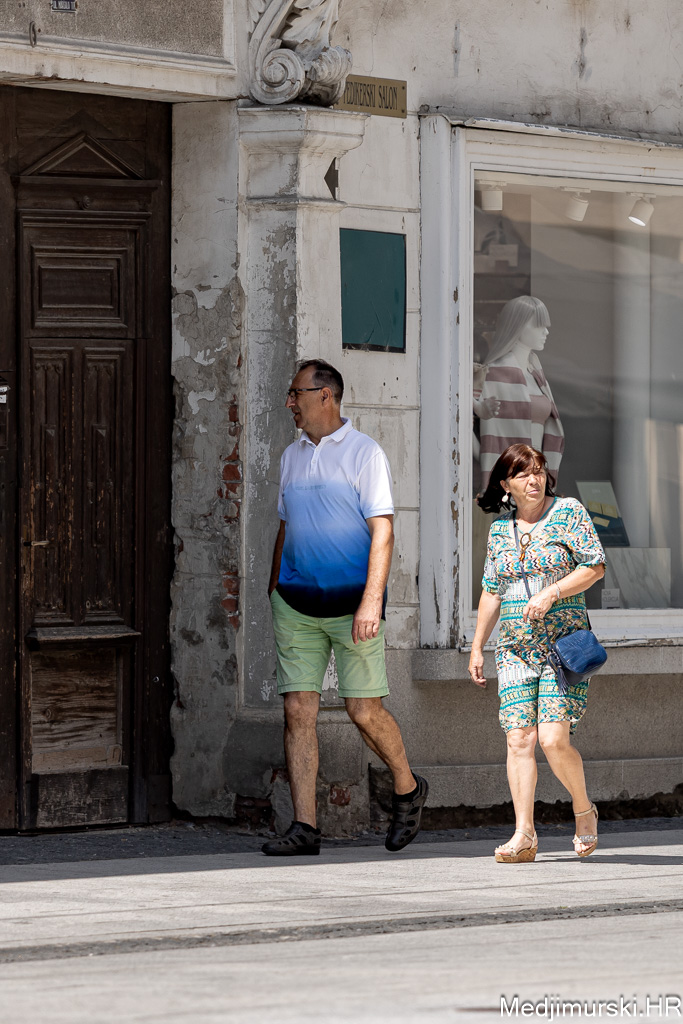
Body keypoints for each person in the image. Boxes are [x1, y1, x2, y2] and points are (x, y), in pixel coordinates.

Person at [262, 358, 428, 856]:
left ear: (325, 396)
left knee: (362, 710)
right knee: (298, 710)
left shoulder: (364, 453)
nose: (289, 403)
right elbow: (286, 525)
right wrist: (274, 585)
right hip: (296, 605)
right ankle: (305, 827)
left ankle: (407, 788)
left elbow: (383, 530)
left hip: (354, 606)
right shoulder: (291, 456)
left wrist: (372, 600)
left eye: (296, 393)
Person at [468, 443, 605, 863]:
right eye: (524, 474)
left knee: (552, 739)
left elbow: (595, 566)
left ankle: (583, 809)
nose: (535, 479)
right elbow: (492, 590)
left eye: (540, 471)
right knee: (518, 739)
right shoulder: (499, 530)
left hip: (561, 648)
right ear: (506, 483)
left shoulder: (568, 512)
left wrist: (552, 591)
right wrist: (477, 646)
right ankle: (524, 834)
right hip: (513, 649)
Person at [474, 296, 564, 491]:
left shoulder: (537, 375)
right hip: (508, 481)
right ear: (518, 325)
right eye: (538, 325)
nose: (546, 331)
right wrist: (486, 459)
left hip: (536, 480)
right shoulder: (492, 373)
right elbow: (462, 420)